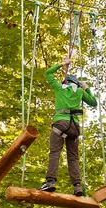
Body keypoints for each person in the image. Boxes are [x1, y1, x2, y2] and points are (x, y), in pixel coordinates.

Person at [40, 56, 97, 196]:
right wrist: (86, 88)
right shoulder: (79, 92)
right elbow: (94, 102)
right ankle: (77, 186)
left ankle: (51, 182)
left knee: (54, 152)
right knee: (73, 157)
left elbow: (48, 73)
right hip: (74, 127)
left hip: (61, 124)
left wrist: (62, 64)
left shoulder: (60, 88)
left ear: (65, 82)